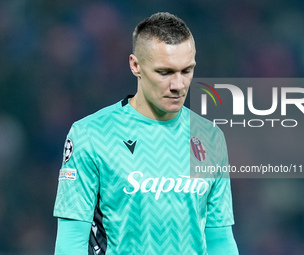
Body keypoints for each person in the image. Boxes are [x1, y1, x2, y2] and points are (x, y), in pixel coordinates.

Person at [54, 12, 239, 255]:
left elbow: (220, 240)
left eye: (187, 71)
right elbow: (71, 241)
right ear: (135, 65)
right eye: (165, 72)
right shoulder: (91, 134)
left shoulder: (209, 136)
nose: (178, 85)